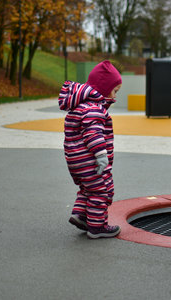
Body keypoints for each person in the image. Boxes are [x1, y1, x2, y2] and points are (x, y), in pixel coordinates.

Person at [58, 60, 122, 239]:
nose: (115, 97)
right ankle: (97, 227)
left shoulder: (79, 107)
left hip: (76, 160)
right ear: (103, 88)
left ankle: (81, 215)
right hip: (90, 160)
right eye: (114, 91)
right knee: (102, 190)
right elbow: (93, 133)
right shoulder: (94, 109)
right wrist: (101, 155)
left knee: (88, 189)